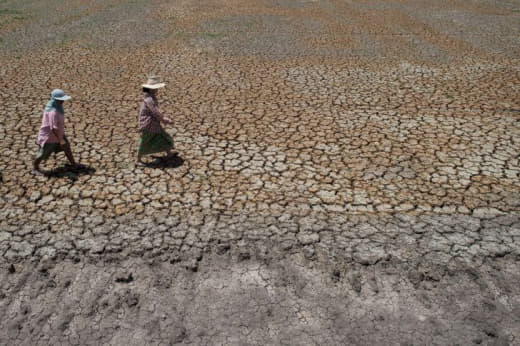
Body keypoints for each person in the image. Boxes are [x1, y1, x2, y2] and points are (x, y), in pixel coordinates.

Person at [32, 89, 81, 176]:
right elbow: (53, 128)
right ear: (56, 100)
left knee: (67, 147)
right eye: (61, 99)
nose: (63, 101)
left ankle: (73, 164)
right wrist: (61, 140)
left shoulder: (57, 106)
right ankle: (35, 168)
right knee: (42, 154)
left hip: (59, 134)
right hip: (49, 137)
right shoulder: (53, 111)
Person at [137, 76, 175, 166]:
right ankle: (138, 159)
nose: (157, 89)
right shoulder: (149, 100)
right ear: (151, 89)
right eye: (156, 88)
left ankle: (169, 153)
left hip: (154, 124)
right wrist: (166, 120)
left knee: (163, 137)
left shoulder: (151, 97)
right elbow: (155, 112)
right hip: (148, 124)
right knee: (145, 142)